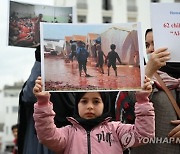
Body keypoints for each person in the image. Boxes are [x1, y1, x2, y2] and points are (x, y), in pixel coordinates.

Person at [33, 75, 155, 154]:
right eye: (84, 101)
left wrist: (143, 100)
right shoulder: (68, 133)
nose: (90, 106)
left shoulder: (116, 129)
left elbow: (143, 135)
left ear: (104, 105)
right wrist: (43, 103)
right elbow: (47, 136)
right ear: (77, 106)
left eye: (96, 101)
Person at [117, 28, 180, 154]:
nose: (150, 49)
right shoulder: (138, 75)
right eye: (147, 45)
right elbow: (128, 109)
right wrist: (148, 72)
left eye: (155, 44)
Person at [18, 46, 75, 154]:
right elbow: (29, 95)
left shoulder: (73, 88)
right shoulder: (38, 84)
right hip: (39, 145)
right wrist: (40, 62)